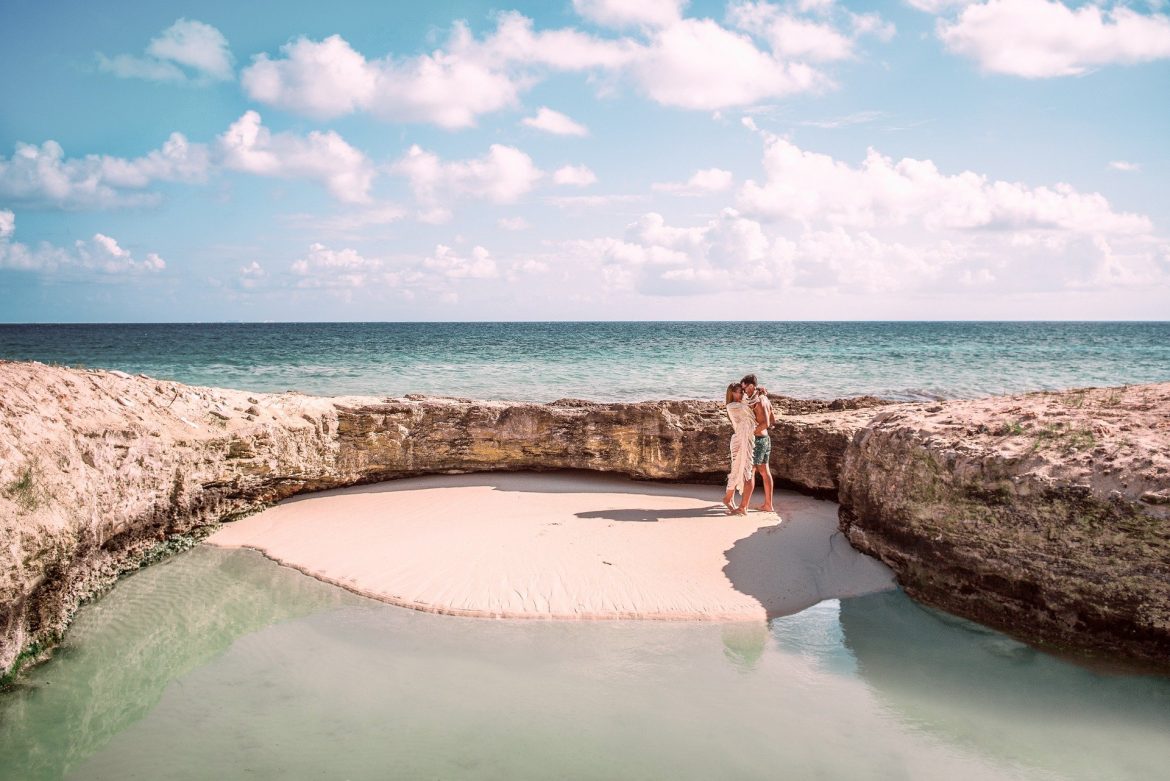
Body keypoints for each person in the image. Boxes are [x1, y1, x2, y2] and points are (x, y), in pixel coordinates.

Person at [740, 374, 775, 513]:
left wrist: (751, 432)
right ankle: (768, 505)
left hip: (759, 440)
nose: (744, 391)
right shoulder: (765, 399)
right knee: (765, 472)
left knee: (750, 472)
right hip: (766, 440)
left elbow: (766, 423)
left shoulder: (759, 401)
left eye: (745, 388)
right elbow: (773, 420)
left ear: (751, 385)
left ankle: (743, 507)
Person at [722, 382, 755, 515]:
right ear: (731, 393)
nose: (741, 393)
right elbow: (751, 408)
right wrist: (758, 394)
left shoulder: (742, 403)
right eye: (737, 391)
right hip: (738, 441)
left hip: (745, 439)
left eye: (742, 391)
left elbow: (751, 405)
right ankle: (727, 499)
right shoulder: (732, 406)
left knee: (739, 469)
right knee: (736, 469)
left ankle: (728, 498)